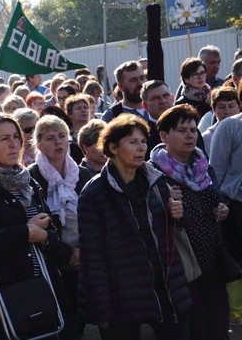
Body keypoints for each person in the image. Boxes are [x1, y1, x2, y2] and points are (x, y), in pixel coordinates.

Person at [78, 114, 191, 339]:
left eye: (142, 142)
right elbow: (92, 257)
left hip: (165, 286)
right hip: (121, 293)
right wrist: (102, 308)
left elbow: (170, 233)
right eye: (132, 142)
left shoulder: (155, 181)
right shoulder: (94, 194)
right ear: (113, 147)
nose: (141, 148)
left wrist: (177, 216)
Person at [0, 113, 76, 339]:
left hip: (45, 288)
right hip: (6, 295)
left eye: (16, 136)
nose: (14, 143)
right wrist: (25, 232)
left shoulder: (29, 182)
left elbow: (47, 231)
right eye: (5, 139)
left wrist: (46, 239)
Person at [149, 104, 229, 340]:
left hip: (211, 258)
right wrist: (168, 205)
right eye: (182, 130)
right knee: (197, 326)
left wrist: (222, 209)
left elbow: (216, 199)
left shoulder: (203, 164)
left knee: (219, 320)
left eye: (193, 130)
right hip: (181, 263)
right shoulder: (154, 172)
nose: (190, 135)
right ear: (164, 136)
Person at [28, 114, 91, 337]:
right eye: (50, 138)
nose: (58, 142)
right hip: (51, 260)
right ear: (38, 144)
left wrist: (82, 252)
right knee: (62, 325)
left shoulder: (83, 175)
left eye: (62, 136)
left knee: (82, 319)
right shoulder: (30, 178)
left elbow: (94, 219)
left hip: (85, 259)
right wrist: (66, 254)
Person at [209, 110, 242, 326]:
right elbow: (215, 174)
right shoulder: (230, 126)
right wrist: (220, 207)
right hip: (235, 209)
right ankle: (236, 316)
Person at [201, 87, 240, 155]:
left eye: (231, 106)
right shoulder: (207, 137)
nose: (227, 111)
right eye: (222, 107)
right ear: (213, 109)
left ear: (239, 107)